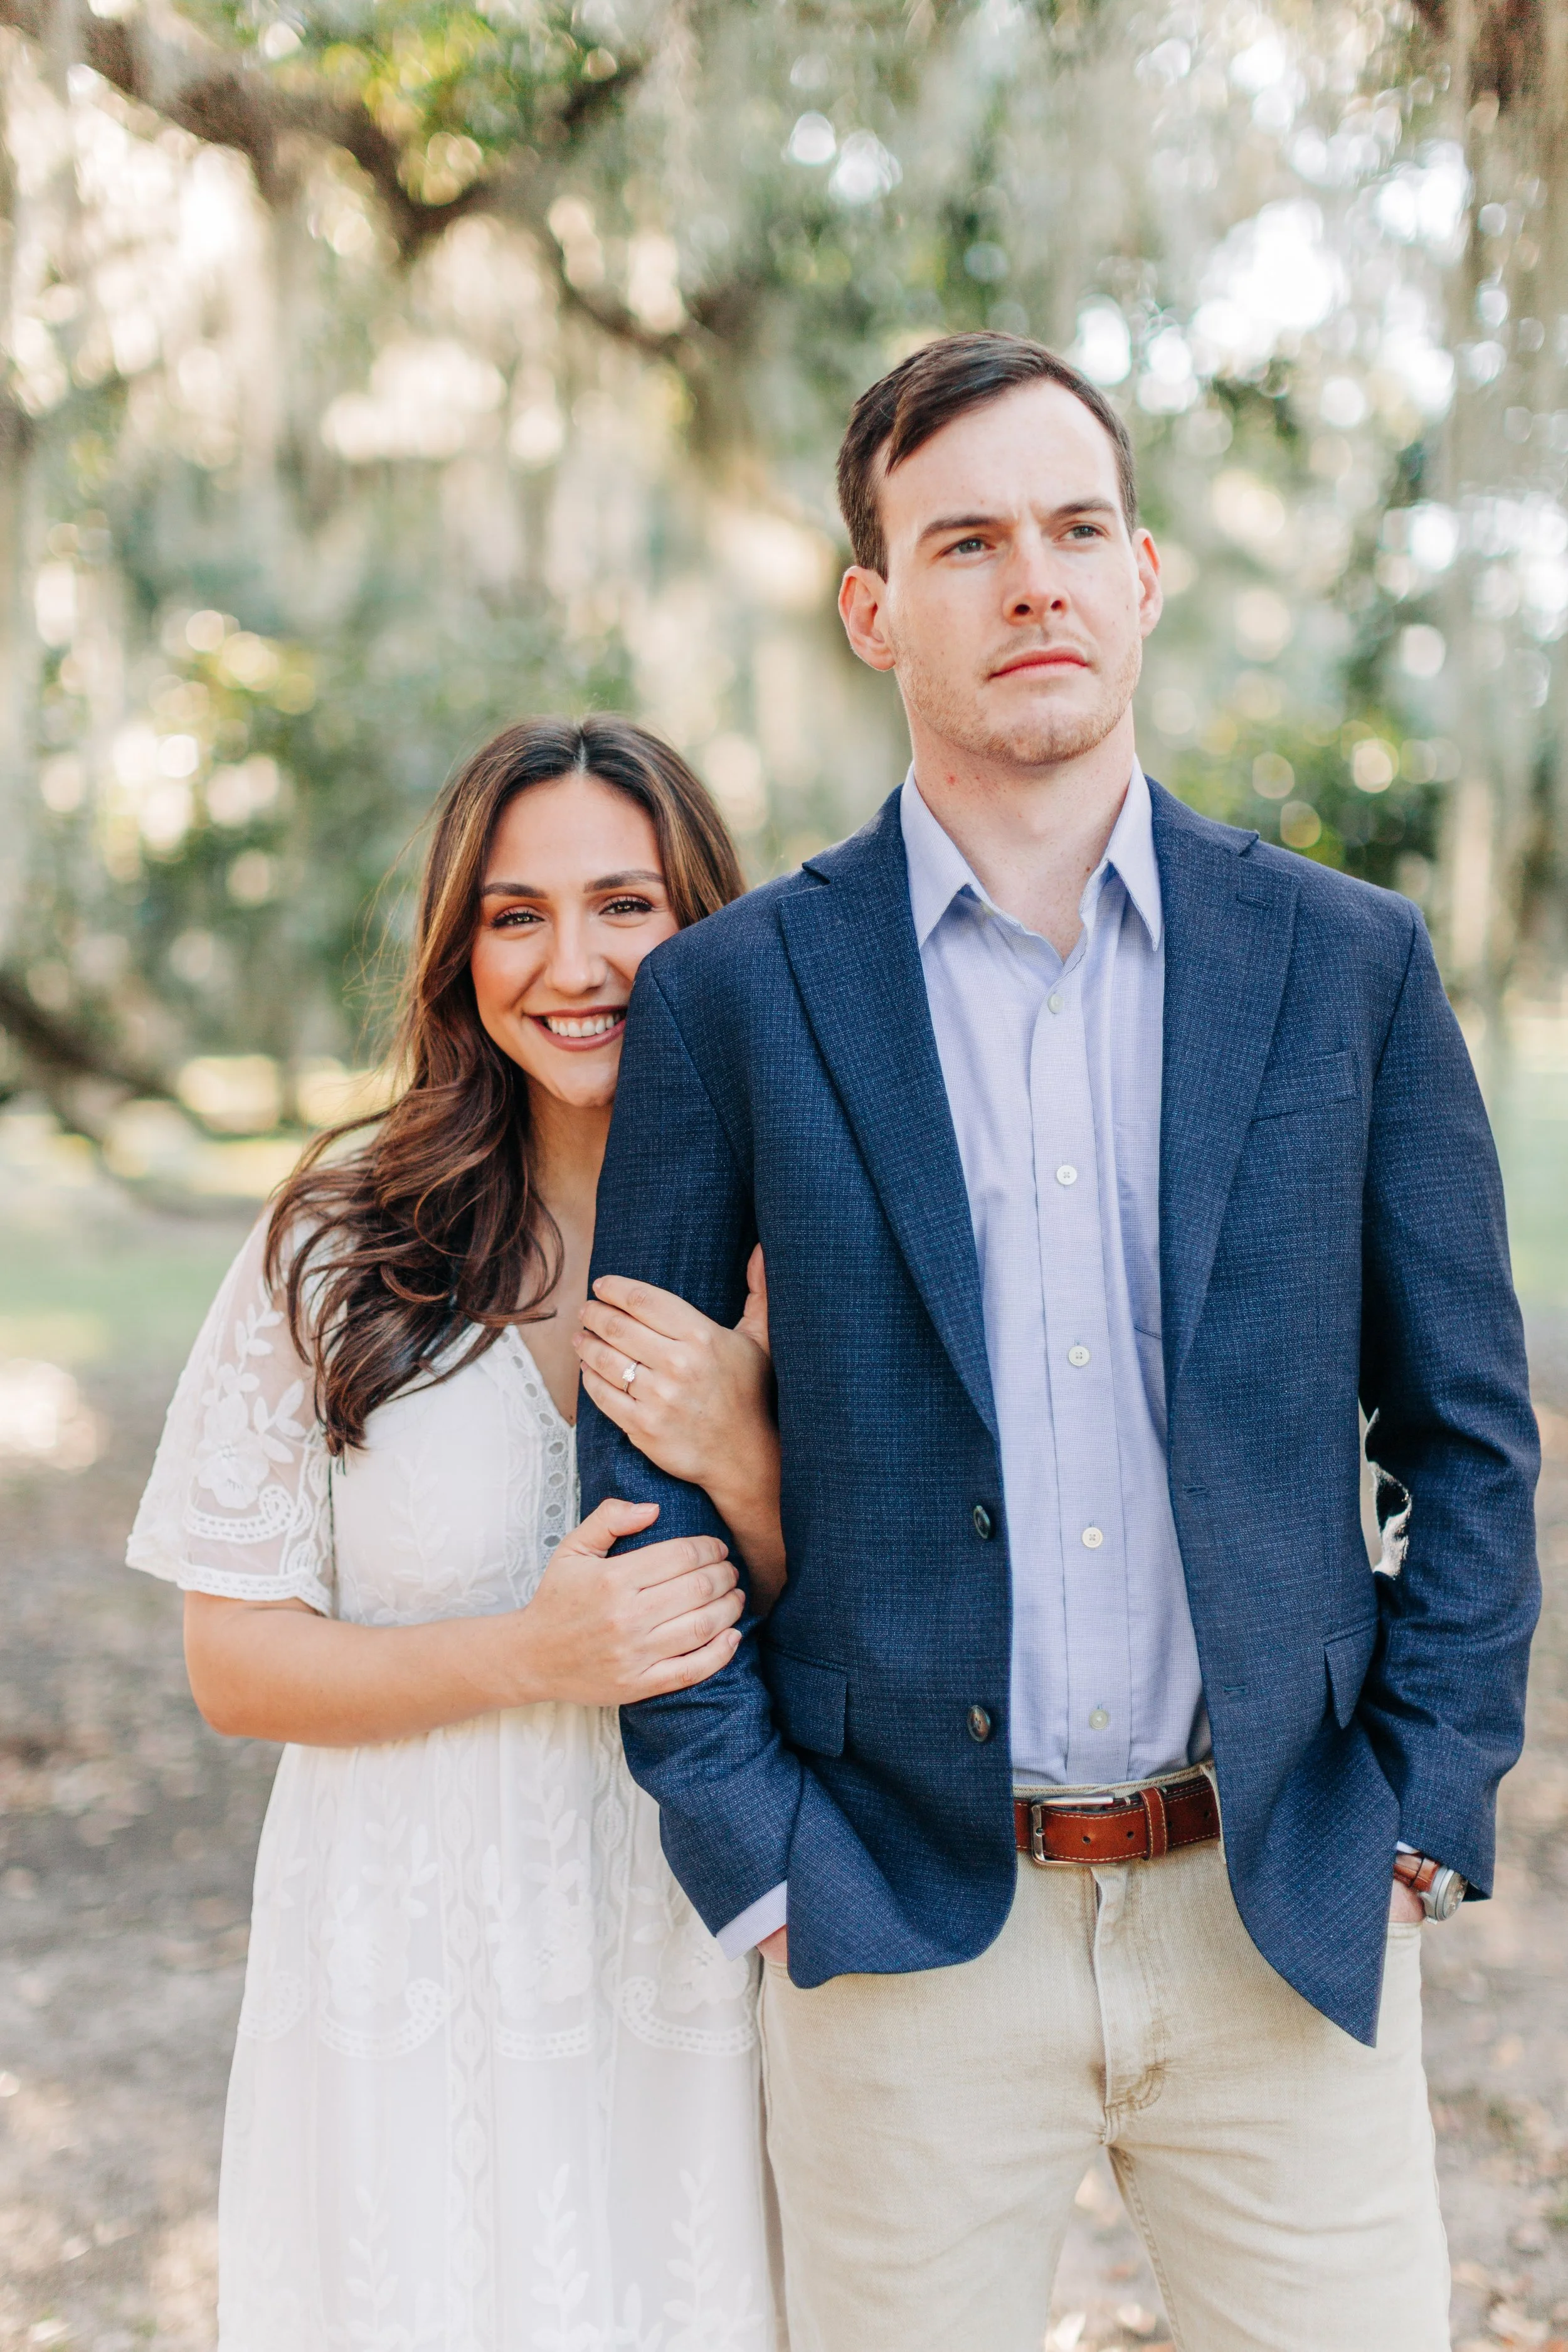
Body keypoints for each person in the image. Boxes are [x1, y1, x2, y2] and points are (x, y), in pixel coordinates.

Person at [578, 334, 1541, 2351]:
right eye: (966, 541)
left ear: (1144, 575)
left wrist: (1420, 1803)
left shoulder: (1344, 965)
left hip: (1279, 1901)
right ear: (872, 609)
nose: (1033, 579)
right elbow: (641, 1479)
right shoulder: (737, 998)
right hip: (902, 1917)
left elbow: (1465, 1430)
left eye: (1075, 527)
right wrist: (765, 1860)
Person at [127, 718, 787, 2351]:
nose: (576, 961)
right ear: (456, 947)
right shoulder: (335, 1247)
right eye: (516, 913)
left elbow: (887, 1619)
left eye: (626, 904)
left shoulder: (797, 1238)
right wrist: (531, 1653)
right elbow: (231, 1662)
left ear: (704, 921)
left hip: (694, 1962)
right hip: (403, 1968)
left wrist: (743, 1450)